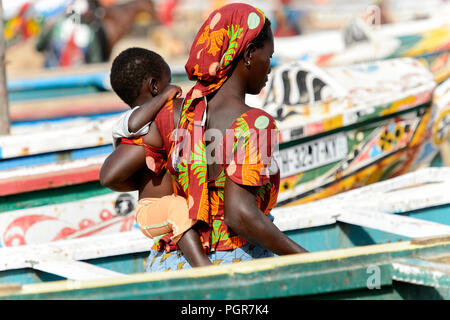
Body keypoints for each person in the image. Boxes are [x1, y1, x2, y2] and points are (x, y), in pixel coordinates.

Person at [110, 3, 309, 272]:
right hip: (234, 262)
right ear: (248, 54)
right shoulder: (255, 124)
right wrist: (307, 258)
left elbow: (113, 174)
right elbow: (240, 215)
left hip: (168, 265)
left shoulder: (167, 113)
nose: (270, 68)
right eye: (268, 56)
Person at [99, 47, 212, 268]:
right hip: (151, 209)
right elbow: (109, 177)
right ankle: (203, 267)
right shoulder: (135, 124)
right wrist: (165, 97)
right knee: (178, 209)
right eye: (167, 82)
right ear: (154, 87)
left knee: (182, 206)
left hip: (166, 206)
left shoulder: (154, 124)